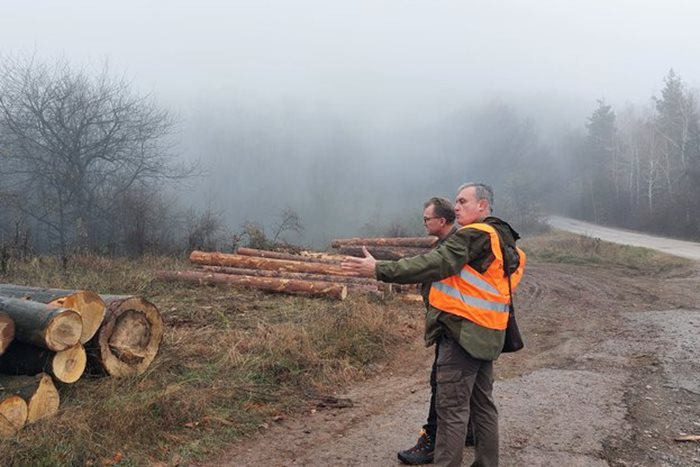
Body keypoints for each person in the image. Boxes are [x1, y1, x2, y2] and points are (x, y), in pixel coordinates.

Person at [342, 183, 525, 467]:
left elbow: (435, 263)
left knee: (451, 412)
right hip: (488, 334)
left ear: (483, 207)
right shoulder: (502, 238)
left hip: (462, 334)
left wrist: (379, 269)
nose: (456, 207)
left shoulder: (473, 235)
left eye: (463, 201)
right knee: (483, 408)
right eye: (456, 201)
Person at [398, 197, 475, 465]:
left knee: (442, 384)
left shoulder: (456, 245)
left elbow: (425, 266)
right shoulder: (452, 242)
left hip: (455, 325)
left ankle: (432, 441)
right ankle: (468, 431)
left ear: (441, 221)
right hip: (464, 325)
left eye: (426, 219)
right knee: (467, 383)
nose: (423, 223)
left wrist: (378, 269)